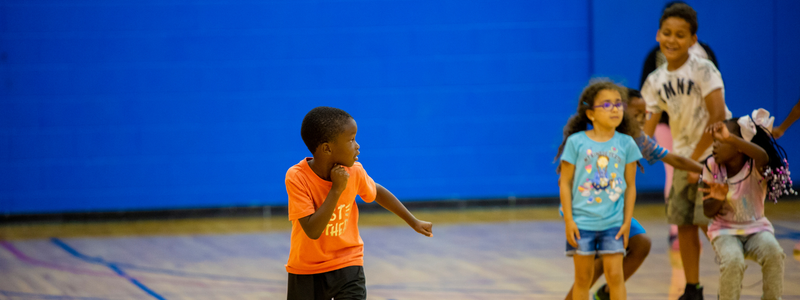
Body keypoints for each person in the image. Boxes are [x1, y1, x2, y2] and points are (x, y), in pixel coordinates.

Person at [563, 88, 703, 300]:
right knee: (586, 272)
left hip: (612, 212)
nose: (641, 120)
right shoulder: (583, 141)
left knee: (640, 244)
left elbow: (674, 160)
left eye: (644, 115)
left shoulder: (635, 140)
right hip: (583, 211)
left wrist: (707, 169)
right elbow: (566, 180)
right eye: (635, 114)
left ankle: (607, 293)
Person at [285, 106, 433, 300]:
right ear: (327, 148)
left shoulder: (354, 171)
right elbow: (313, 231)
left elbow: (376, 190)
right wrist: (336, 189)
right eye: (351, 139)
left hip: (348, 263)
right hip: (306, 269)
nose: (357, 145)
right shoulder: (297, 177)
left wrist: (413, 221)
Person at [640, 4, 732, 299]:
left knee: (715, 226)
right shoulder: (655, 81)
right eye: (667, 33)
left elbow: (718, 116)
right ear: (657, 35)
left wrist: (697, 162)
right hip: (683, 157)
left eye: (680, 35)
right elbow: (647, 131)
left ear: (694, 40)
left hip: (714, 155)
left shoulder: (704, 69)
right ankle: (692, 289)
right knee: (684, 223)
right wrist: (626, 151)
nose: (672, 39)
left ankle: (734, 282)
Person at [556, 79, 642, 300]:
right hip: (581, 223)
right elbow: (564, 183)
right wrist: (569, 221)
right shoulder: (576, 143)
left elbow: (631, 186)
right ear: (590, 114)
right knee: (583, 279)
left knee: (616, 276)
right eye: (606, 104)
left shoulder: (627, 144)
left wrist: (626, 222)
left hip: (613, 224)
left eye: (618, 103)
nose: (614, 108)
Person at [700, 109, 795, 300]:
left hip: (757, 228)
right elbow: (708, 211)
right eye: (714, 141)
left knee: (775, 254)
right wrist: (718, 198)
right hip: (724, 231)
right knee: (733, 261)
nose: (714, 146)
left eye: (720, 141)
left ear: (739, 146)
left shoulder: (756, 164)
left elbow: (763, 156)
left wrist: (731, 139)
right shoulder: (711, 166)